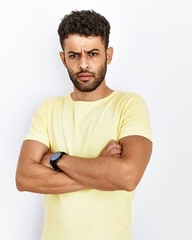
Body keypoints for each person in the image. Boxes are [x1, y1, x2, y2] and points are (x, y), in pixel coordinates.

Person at [16, 9, 153, 240]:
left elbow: (128, 177)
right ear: (63, 59)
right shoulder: (48, 109)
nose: (83, 64)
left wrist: (57, 159)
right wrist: (101, 169)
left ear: (108, 55)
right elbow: (24, 178)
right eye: (74, 55)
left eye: (92, 53)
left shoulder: (128, 105)